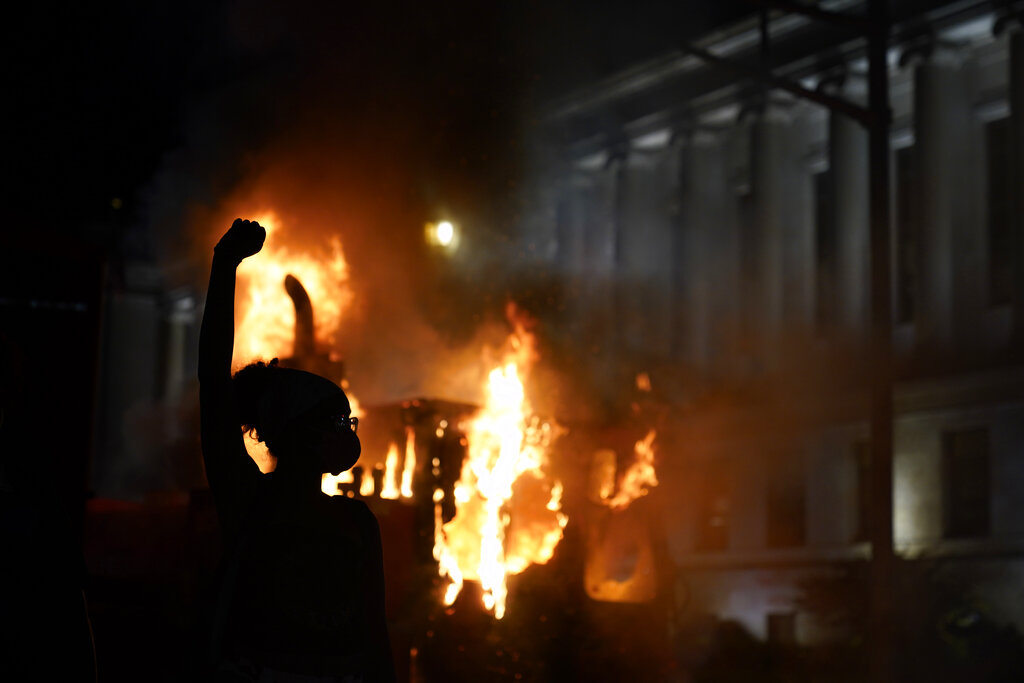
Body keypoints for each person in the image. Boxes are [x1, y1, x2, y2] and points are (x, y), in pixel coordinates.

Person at [199, 218, 395, 682]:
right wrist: (224, 265)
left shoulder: (357, 523)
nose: (347, 432)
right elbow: (212, 385)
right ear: (298, 433)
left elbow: (375, 637)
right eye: (336, 423)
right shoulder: (250, 502)